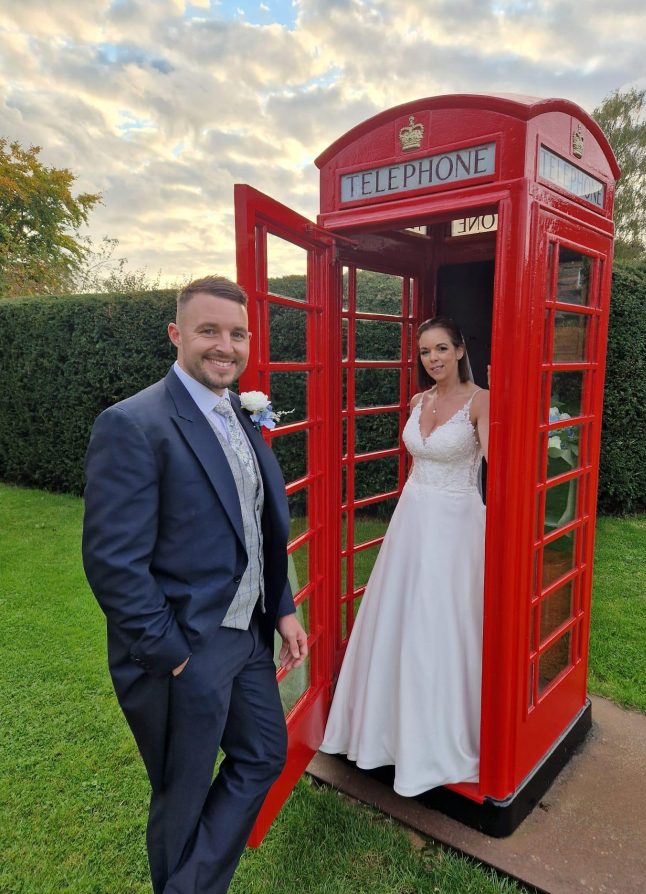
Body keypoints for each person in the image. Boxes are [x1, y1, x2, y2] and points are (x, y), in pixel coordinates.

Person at [82, 275, 308, 894]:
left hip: (246, 634)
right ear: (177, 335)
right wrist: (173, 657)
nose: (224, 346)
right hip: (185, 648)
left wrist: (283, 607)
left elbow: (258, 525)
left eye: (237, 334)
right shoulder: (134, 424)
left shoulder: (239, 411)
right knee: (182, 795)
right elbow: (112, 561)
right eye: (209, 331)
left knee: (263, 753)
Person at [321, 317, 489, 797]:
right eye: (424, 352)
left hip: (456, 528)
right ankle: (382, 733)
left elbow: (499, 470)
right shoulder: (420, 401)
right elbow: (418, 459)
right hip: (411, 523)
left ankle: (436, 740)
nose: (432, 359)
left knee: (440, 627)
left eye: (441, 349)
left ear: (460, 350)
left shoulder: (482, 401)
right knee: (397, 622)